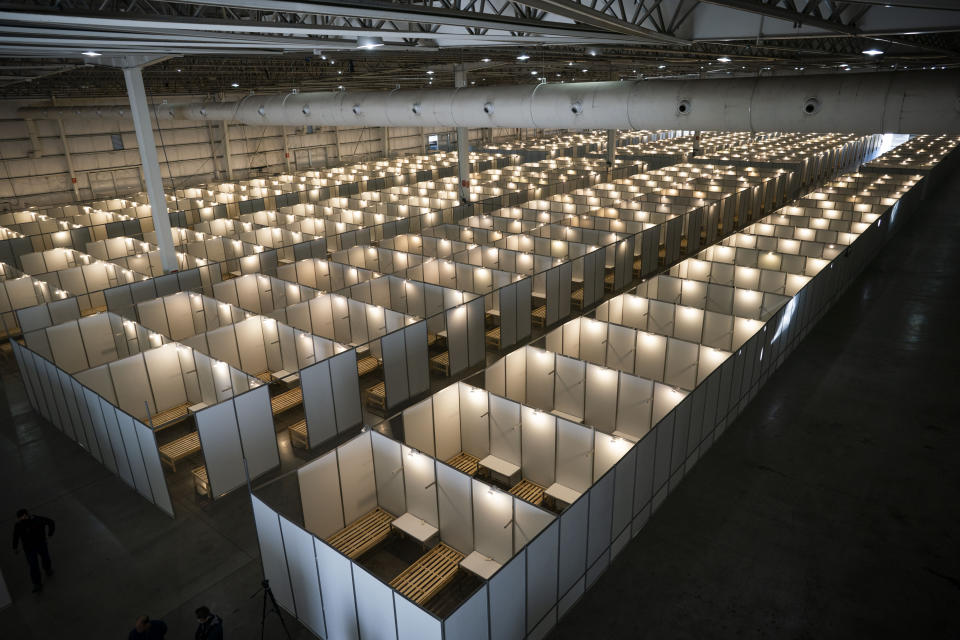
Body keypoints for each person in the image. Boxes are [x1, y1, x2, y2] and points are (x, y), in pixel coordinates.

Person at [11, 508, 55, 593]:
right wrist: (15, 547)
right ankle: (37, 583)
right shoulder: (19, 525)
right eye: (19, 518)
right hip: (30, 549)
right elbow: (15, 536)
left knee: (44, 558)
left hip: (39, 545)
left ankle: (47, 569)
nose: (20, 519)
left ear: (25, 515)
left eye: (20, 517)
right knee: (34, 566)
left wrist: (50, 533)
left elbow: (50, 522)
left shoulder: (37, 519)